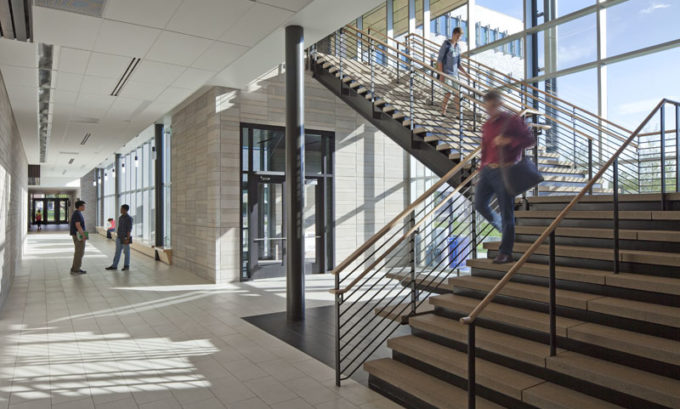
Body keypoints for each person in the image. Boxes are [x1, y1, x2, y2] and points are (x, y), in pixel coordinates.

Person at [475, 91, 535, 264]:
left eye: (493, 106)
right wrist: (481, 171)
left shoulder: (513, 120)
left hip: (506, 171)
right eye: (487, 107)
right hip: (487, 170)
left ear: (499, 104)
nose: (490, 110)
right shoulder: (486, 125)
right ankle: (505, 229)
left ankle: (506, 252)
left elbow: (530, 140)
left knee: (506, 212)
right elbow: (485, 149)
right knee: (479, 204)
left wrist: (508, 141)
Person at [437, 27, 470, 116]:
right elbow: (439, 60)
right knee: (448, 93)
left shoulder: (458, 47)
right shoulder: (446, 44)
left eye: (460, 37)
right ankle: (443, 112)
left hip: (455, 74)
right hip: (446, 73)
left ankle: (459, 114)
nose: (459, 38)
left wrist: (466, 73)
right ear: (454, 34)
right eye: (458, 36)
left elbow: (458, 64)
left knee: (457, 94)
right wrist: (441, 74)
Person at [105, 204, 133, 271]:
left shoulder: (129, 218)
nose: (120, 210)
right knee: (117, 252)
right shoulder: (120, 217)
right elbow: (119, 227)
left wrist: (128, 238)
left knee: (126, 252)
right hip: (119, 237)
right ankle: (114, 265)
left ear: (125, 210)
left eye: (121, 209)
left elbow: (129, 229)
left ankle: (126, 266)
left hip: (125, 238)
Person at [69, 200, 87, 274]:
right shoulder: (77, 214)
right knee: (79, 252)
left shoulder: (78, 213)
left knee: (78, 252)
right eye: (83, 205)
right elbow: (78, 226)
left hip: (77, 234)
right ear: (80, 206)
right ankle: (76, 269)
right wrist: (83, 235)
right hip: (78, 235)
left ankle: (74, 268)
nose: (84, 207)